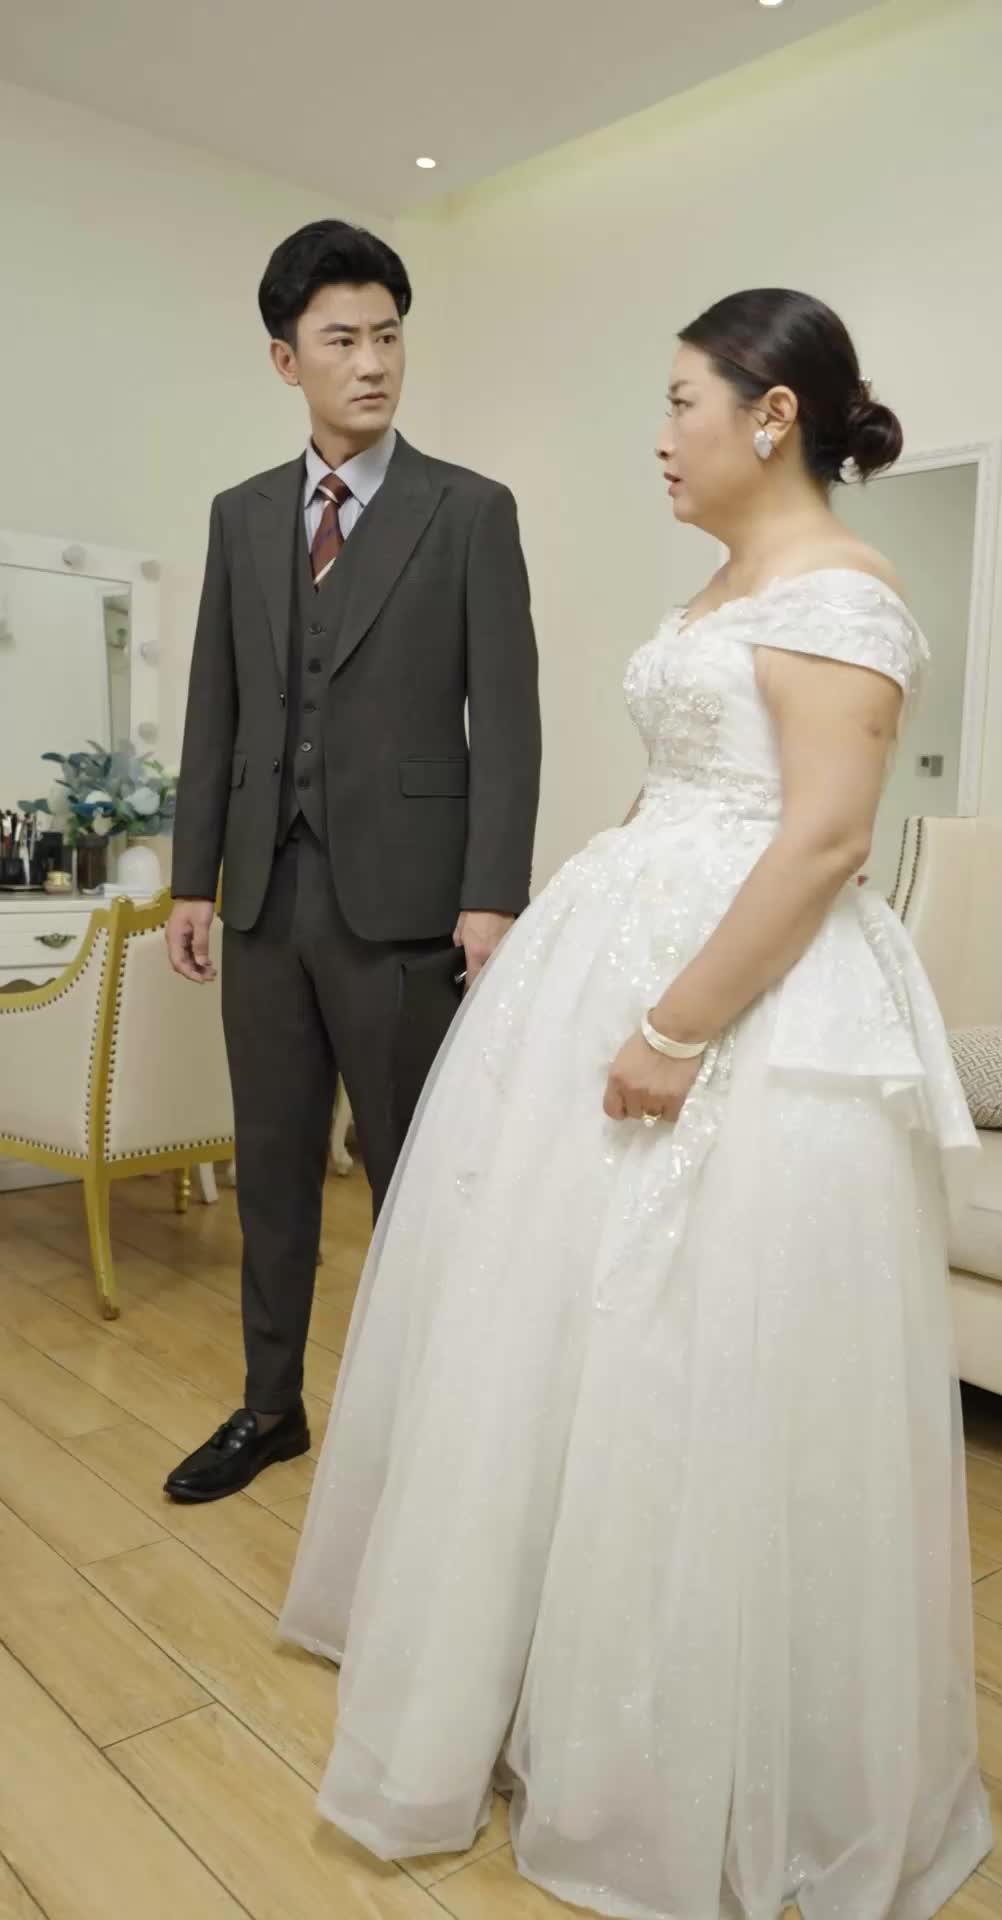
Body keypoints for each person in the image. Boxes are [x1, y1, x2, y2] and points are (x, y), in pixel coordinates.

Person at [280, 288, 991, 1920]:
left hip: (745, 1006)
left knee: (704, 1346)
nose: (660, 436)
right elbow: (685, 785)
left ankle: (699, 1743)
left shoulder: (842, 593)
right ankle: (557, 1678)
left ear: (772, 413)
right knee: (569, 1336)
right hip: (619, 959)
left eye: (683, 401)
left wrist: (673, 1026)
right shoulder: (725, 588)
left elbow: (823, 838)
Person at [162, 221, 541, 1504]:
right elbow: (214, 706)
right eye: (342, 340)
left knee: (413, 1178)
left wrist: (492, 896)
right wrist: (195, 878)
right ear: (288, 360)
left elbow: (511, 719)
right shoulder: (243, 516)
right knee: (272, 1170)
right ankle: (270, 1408)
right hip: (265, 897)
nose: (373, 362)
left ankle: (426, 1422)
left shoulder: (469, 511)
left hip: (410, 905)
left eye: (388, 336)